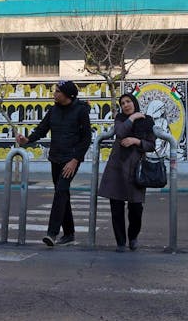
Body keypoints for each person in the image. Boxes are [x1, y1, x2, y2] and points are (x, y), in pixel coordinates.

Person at [15, 80, 92, 247]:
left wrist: (75, 160)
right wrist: (27, 140)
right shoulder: (53, 110)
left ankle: (52, 233)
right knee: (62, 193)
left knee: (60, 192)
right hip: (55, 158)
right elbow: (42, 129)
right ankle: (70, 233)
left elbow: (87, 139)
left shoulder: (80, 111)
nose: (54, 94)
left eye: (57, 91)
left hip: (71, 159)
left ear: (67, 95)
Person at [97, 93, 157, 252]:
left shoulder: (147, 120)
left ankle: (133, 237)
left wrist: (136, 141)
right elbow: (121, 133)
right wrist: (132, 118)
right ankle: (120, 243)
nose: (126, 105)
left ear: (134, 102)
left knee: (136, 208)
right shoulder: (120, 119)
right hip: (117, 168)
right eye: (122, 103)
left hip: (135, 169)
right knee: (116, 207)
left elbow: (151, 145)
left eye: (128, 101)